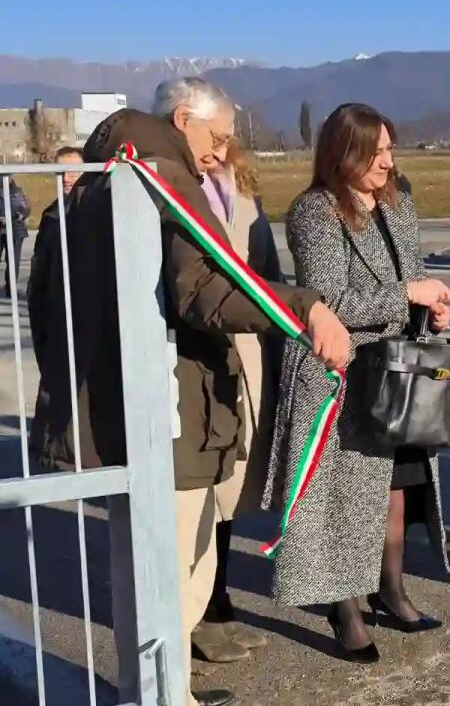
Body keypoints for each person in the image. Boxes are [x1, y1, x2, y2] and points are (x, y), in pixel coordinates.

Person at [35, 77, 350, 706]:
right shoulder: (162, 180)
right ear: (184, 118)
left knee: (149, 568)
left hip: (121, 402)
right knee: (175, 569)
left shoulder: (100, 179)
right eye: (218, 138)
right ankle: (159, 694)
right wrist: (303, 308)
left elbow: (45, 299)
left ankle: (158, 688)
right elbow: (204, 288)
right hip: (170, 406)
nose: (221, 154)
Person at [265, 103, 450, 662]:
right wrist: (406, 296)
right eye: (376, 153)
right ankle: (344, 607)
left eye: (390, 150)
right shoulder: (314, 212)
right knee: (346, 499)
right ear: (342, 154)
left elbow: (412, 279)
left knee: (398, 484)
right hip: (343, 375)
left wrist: (432, 310)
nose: (387, 162)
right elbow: (327, 302)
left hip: (400, 371)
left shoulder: (399, 205)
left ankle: (390, 587)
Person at [191, 139, 282, 663]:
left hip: (247, 352)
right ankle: (196, 613)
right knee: (199, 491)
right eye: (215, 133)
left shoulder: (239, 187)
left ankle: (217, 601)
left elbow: (267, 269)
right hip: (200, 356)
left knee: (230, 486)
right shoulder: (173, 188)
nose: (224, 144)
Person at [28, 146, 84, 368]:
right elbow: (41, 263)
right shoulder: (51, 214)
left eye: (73, 171)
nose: (67, 178)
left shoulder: (98, 211)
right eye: (61, 172)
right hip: (56, 303)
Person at [0, 175, 30, 298]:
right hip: (1, 229)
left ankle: (11, 288)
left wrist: (20, 215)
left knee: (13, 261)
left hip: (15, 230)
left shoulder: (17, 192)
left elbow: (25, 208)